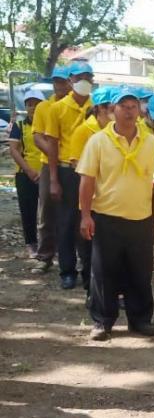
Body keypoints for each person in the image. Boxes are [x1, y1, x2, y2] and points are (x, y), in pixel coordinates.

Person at [76, 87, 154, 341]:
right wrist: (85, 215)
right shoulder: (98, 141)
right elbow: (87, 180)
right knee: (103, 272)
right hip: (106, 217)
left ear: (140, 110)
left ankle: (140, 319)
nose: (128, 111)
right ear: (112, 110)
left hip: (141, 218)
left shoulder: (152, 143)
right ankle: (102, 321)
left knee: (140, 271)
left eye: (133, 106)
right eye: (123, 106)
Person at [45, 61, 94, 291]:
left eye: (88, 76)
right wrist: (54, 179)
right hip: (67, 170)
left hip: (92, 171)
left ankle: (90, 271)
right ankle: (67, 271)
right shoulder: (57, 108)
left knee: (89, 221)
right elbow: (52, 144)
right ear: (70, 80)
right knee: (66, 221)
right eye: (79, 77)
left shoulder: (98, 106)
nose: (84, 80)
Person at [30, 65, 71, 273]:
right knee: (46, 208)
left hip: (74, 165)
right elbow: (37, 137)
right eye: (56, 81)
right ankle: (45, 256)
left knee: (77, 210)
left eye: (63, 81)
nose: (59, 85)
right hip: (48, 163)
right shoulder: (43, 107)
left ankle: (78, 258)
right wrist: (55, 154)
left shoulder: (77, 106)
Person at [8, 89, 45, 257]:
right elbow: (14, 150)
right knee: (28, 210)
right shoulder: (20, 126)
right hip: (25, 174)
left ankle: (49, 244)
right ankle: (31, 243)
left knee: (48, 212)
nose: (33, 107)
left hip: (47, 173)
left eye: (36, 104)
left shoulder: (48, 125)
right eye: (29, 104)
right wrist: (29, 170)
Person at [69, 87, 115, 167]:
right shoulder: (83, 130)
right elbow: (76, 162)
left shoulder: (117, 130)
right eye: (113, 108)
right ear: (101, 108)